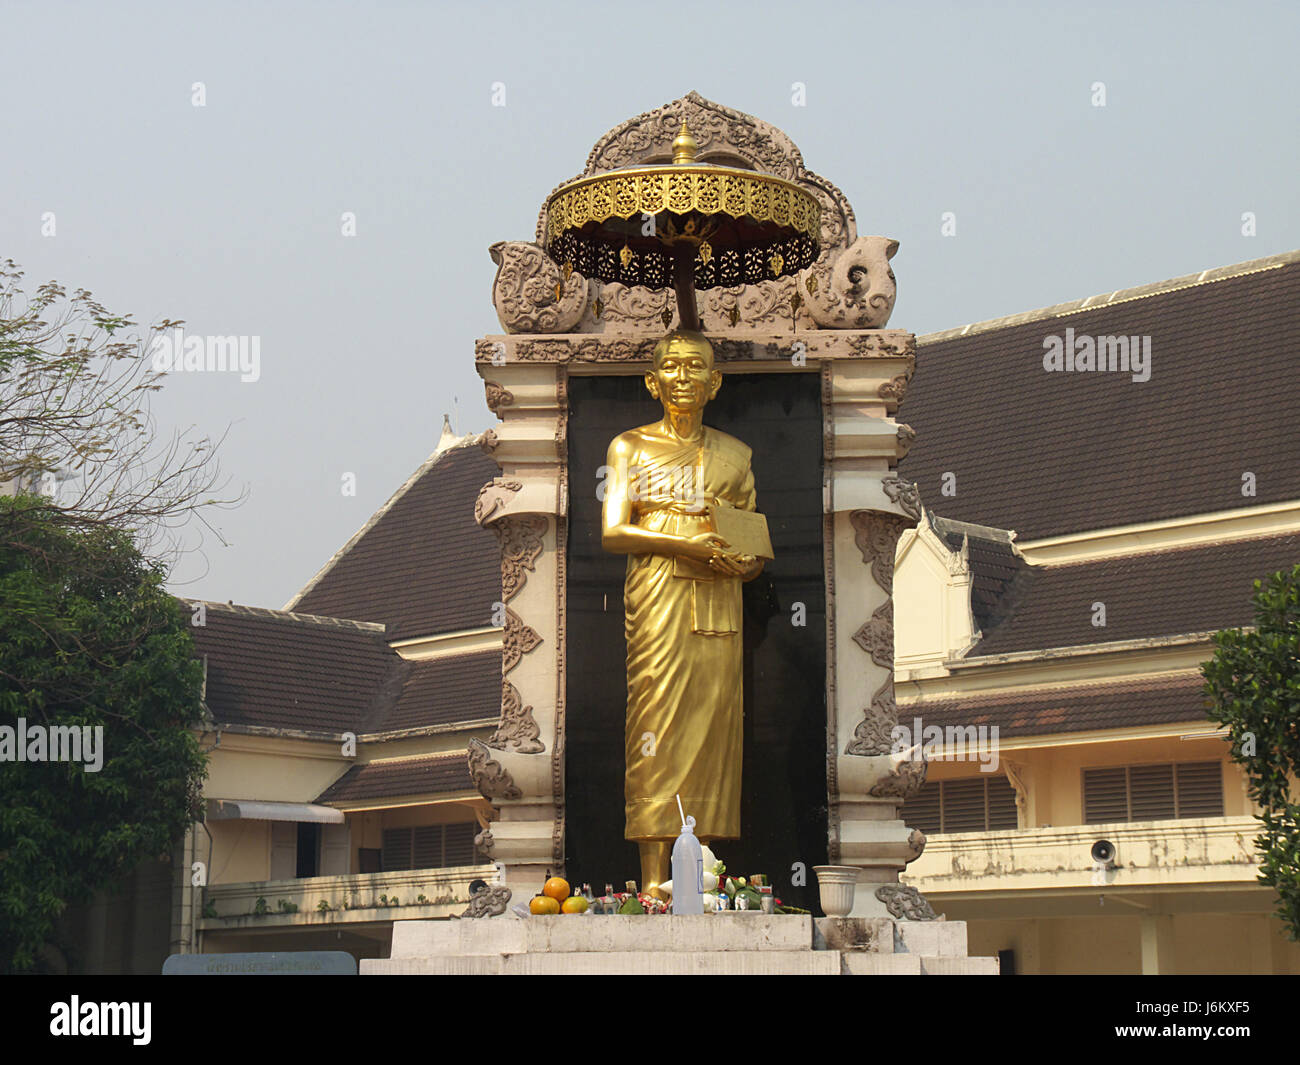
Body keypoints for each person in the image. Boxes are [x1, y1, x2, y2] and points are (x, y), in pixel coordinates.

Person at [600, 329, 766, 895]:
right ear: (652, 380)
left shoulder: (735, 455)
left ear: (714, 381)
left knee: (714, 724)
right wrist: (683, 543)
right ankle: (652, 882)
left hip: (718, 600)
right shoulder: (631, 447)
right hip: (658, 596)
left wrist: (743, 564)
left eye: (696, 368)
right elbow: (615, 530)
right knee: (656, 719)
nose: (682, 378)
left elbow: (750, 541)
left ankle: (703, 877)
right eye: (671, 367)